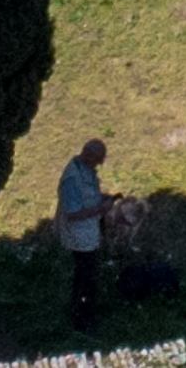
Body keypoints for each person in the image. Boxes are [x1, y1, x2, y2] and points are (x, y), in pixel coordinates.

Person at [58, 136, 111, 328]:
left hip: (88, 233)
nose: (99, 164)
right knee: (84, 278)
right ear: (88, 155)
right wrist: (100, 209)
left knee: (89, 276)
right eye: (98, 160)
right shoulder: (72, 179)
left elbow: (87, 196)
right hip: (79, 237)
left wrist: (102, 198)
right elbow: (72, 213)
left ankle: (87, 310)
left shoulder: (85, 171)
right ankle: (81, 317)